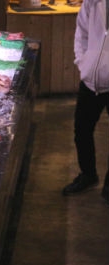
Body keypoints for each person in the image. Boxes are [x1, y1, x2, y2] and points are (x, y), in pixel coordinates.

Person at [62, 0, 109, 204]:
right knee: (81, 130)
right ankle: (88, 175)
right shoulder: (92, 2)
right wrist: (83, 63)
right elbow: (81, 33)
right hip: (90, 81)